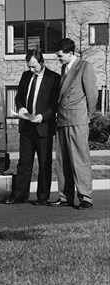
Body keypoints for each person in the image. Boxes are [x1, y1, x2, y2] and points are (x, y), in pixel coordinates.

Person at [6, 49, 60, 205]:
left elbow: (54, 104)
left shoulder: (54, 78)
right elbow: (19, 97)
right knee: (24, 162)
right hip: (26, 126)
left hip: (43, 126)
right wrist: (21, 108)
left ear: (42, 62)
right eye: (29, 66)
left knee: (44, 163)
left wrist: (42, 116)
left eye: (34, 66)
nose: (31, 70)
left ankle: (42, 197)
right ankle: (19, 195)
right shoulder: (25, 76)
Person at [50, 38, 98, 210]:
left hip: (77, 120)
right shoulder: (64, 68)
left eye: (60, 56)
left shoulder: (85, 67)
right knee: (62, 161)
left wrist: (86, 117)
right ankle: (65, 196)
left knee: (80, 160)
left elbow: (92, 95)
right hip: (62, 120)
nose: (59, 59)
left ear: (70, 53)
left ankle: (86, 197)